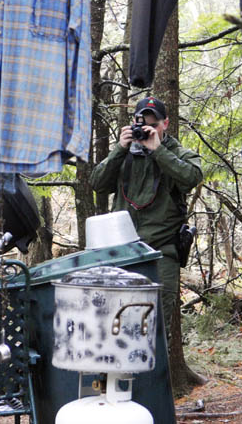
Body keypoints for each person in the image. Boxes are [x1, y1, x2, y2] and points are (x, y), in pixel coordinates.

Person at [91, 96, 203, 333]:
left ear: (165, 124)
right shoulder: (125, 154)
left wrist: (158, 151)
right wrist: (119, 149)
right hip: (122, 253)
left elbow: (191, 177)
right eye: (142, 123)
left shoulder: (177, 154)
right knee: (115, 325)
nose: (147, 129)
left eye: (154, 124)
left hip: (161, 253)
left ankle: (154, 371)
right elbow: (97, 183)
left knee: (155, 330)